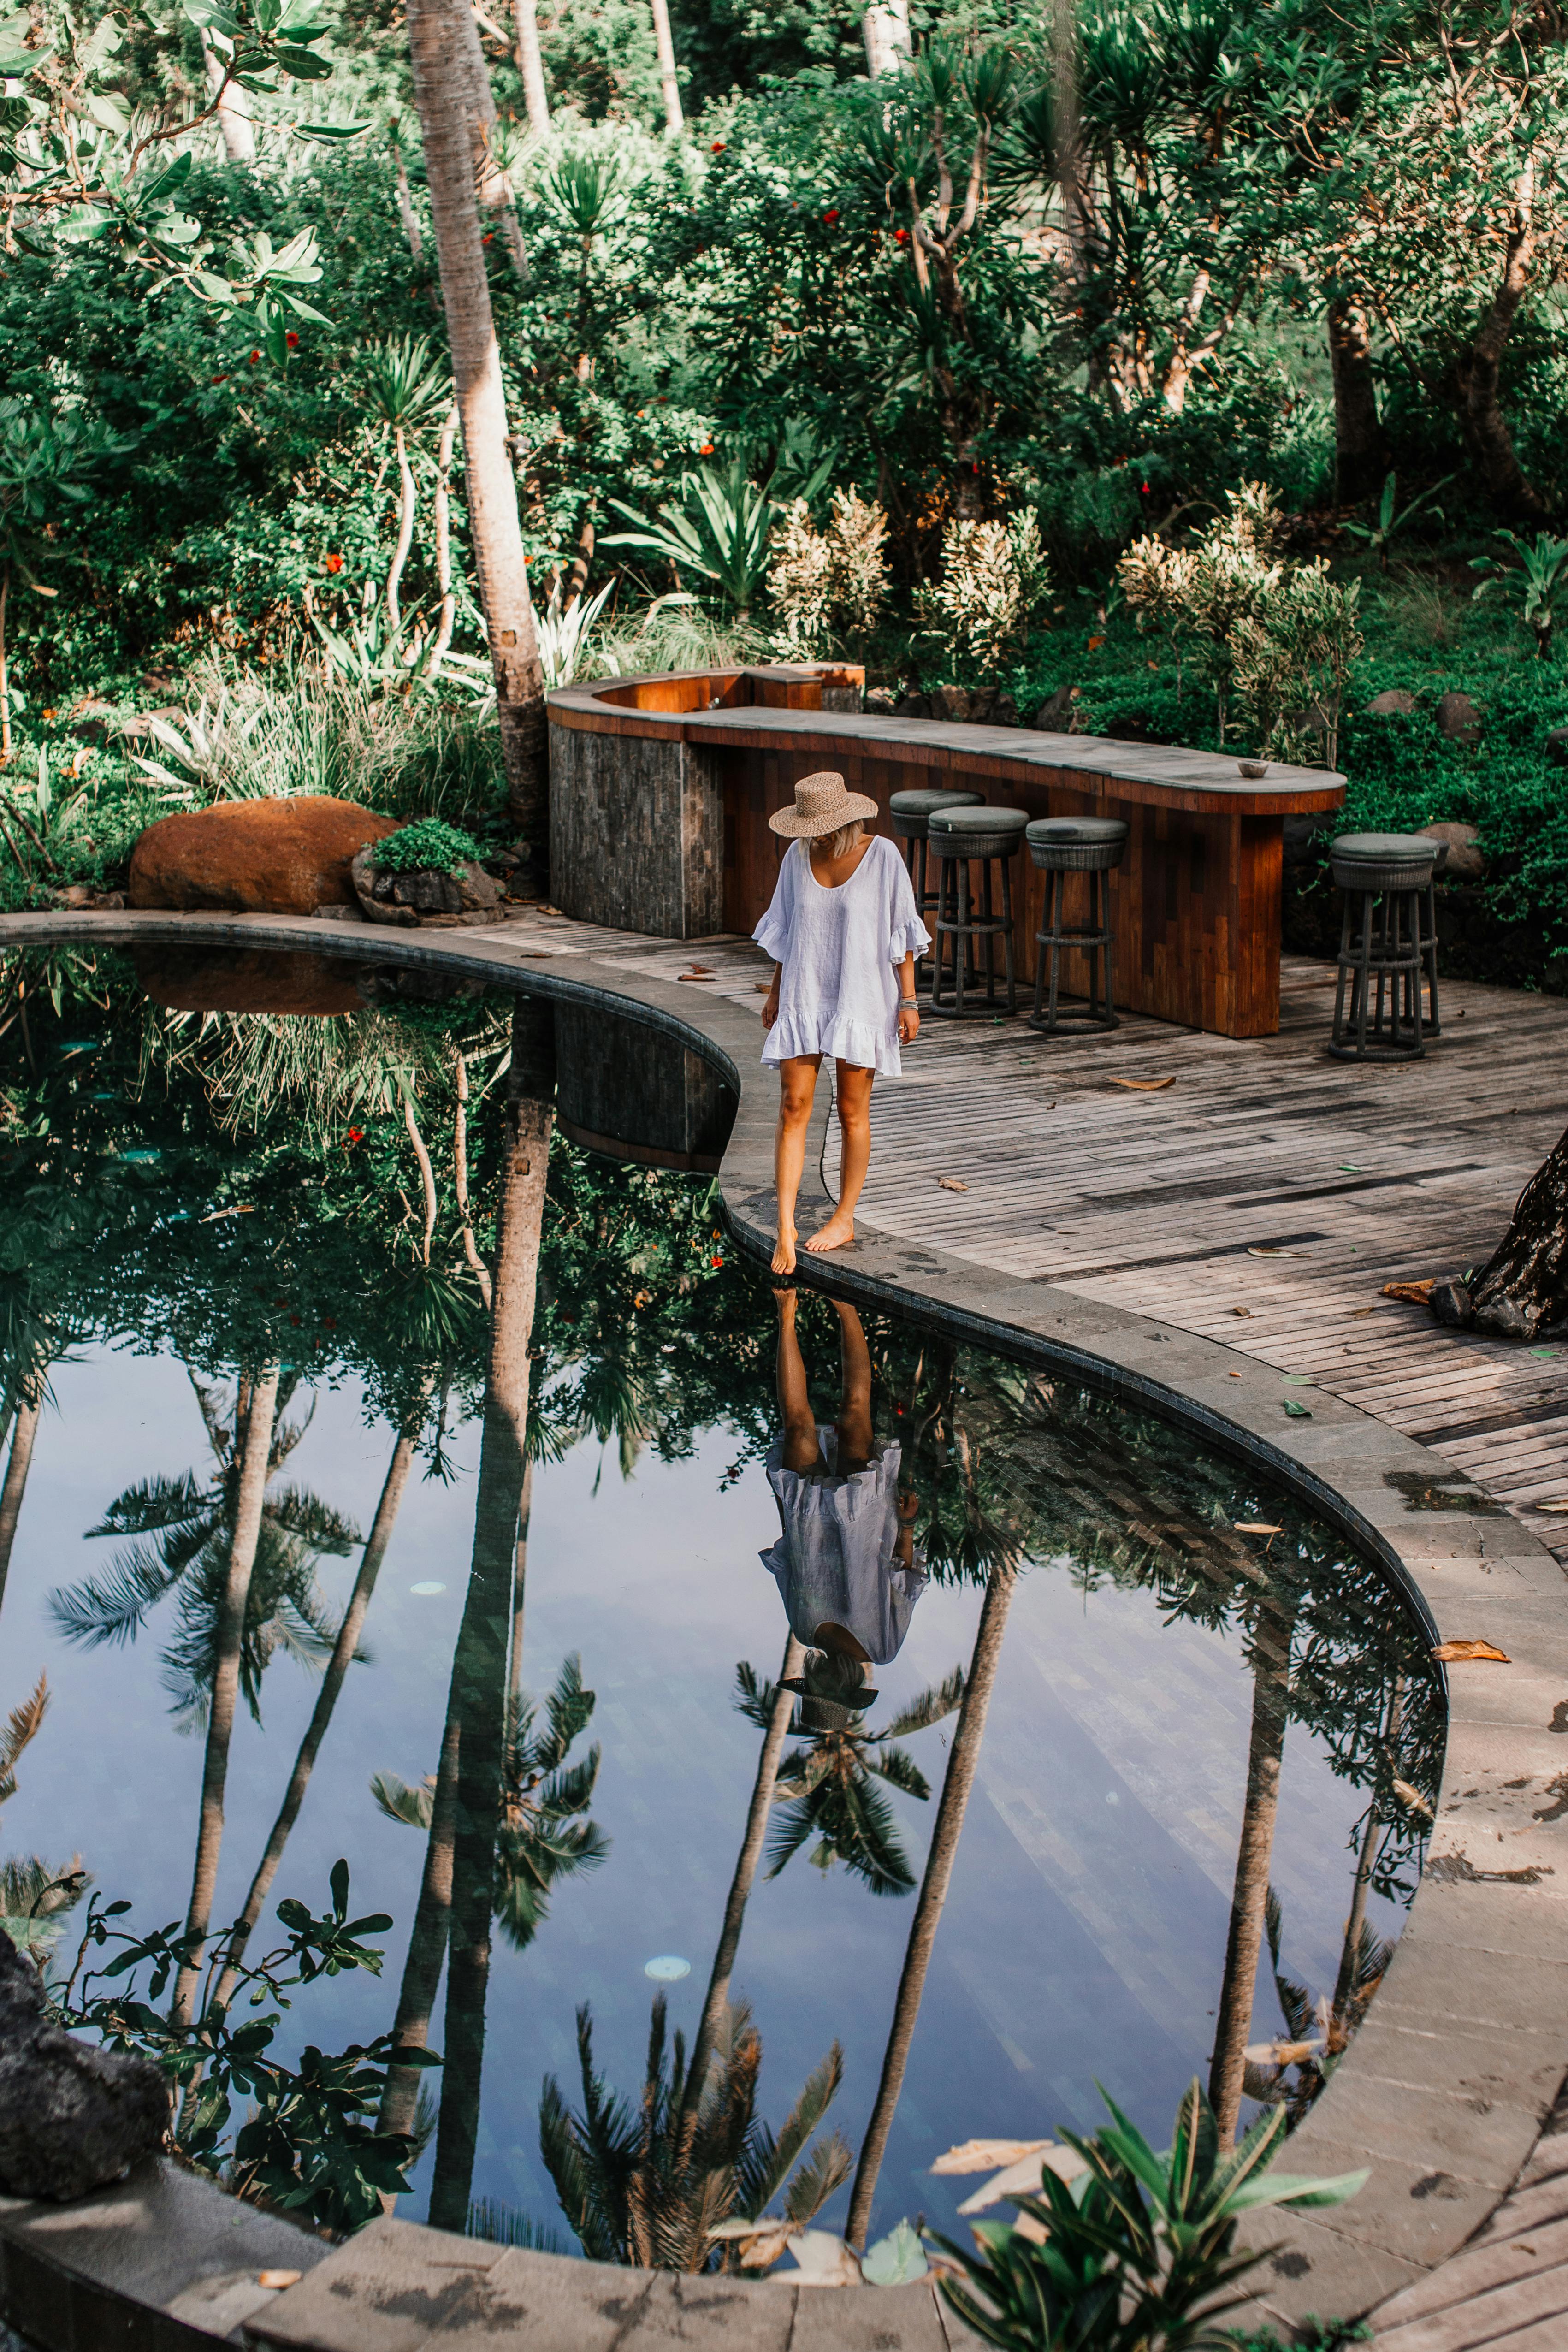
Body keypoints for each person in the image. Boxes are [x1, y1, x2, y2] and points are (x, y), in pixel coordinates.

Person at [755, 771, 929, 1277]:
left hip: (862, 997)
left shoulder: (883, 858)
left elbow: (902, 931)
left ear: (847, 818)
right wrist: (774, 991)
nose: (817, 837)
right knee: (793, 1106)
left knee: (853, 1112)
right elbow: (788, 931)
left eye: (824, 828)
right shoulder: (796, 856)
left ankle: (844, 1217)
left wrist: (909, 1000)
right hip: (805, 993)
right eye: (810, 829)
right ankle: (785, 1226)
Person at [760, 1289, 926, 1730]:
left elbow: (790, 1560)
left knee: (795, 1424)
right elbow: (904, 1584)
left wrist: (785, 1501)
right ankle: (845, 1307)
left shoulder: (804, 1629)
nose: (819, 1677)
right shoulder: (882, 1647)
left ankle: (787, 1312)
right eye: (822, 1686)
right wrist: (906, 1526)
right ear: (842, 1686)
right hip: (866, 1519)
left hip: (808, 1518)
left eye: (814, 1684)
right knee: (855, 1415)